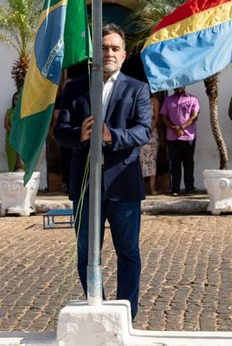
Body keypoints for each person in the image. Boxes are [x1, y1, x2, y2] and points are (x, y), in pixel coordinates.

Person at [54, 24, 151, 320]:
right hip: (85, 186)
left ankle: (126, 314)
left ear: (123, 54)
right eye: (103, 48)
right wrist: (79, 135)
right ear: (94, 53)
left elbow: (143, 131)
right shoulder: (74, 88)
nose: (109, 53)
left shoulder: (137, 89)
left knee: (128, 253)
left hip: (123, 185)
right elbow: (60, 131)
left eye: (114, 48)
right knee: (86, 254)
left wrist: (112, 136)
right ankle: (98, 309)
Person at [160, 86, 200, 196]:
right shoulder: (168, 100)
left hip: (188, 137)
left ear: (184, 86)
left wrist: (181, 127)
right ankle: (175, 189)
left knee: (188, 163)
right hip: (172, 137)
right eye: (176, 86)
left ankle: (189, 188)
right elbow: (163, 117)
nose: (178, 87)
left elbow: (195, 116)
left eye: (181, 85)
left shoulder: (193, 98)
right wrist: (174, 128)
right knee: (175, 163)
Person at [140, 91, 163, 195]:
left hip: (151, 133)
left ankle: (152, 188)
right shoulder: (138, 100)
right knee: (140, 161)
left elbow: (156, 118)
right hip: (140, 133)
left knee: (152, 160)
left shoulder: (154, 101)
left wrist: (148, 130)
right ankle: (140, 189)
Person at [4, 92, 22, 172]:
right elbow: (6, 125)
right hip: (11, 140)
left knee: (23, 163)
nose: (17, 101)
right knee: (12, 162)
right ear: (13, 100)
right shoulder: (9, 111)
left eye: (19, 99)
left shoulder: (26, 112)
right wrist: (14, 132)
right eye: (15, 99)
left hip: (23, 140)